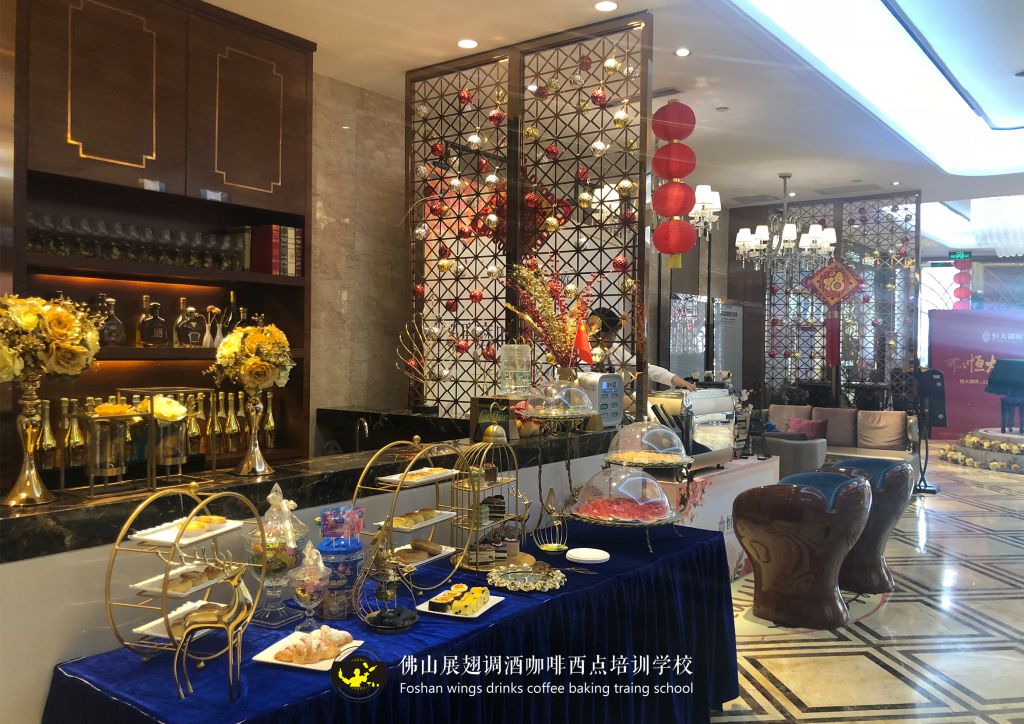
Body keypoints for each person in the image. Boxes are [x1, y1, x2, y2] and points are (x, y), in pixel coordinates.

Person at [587, 307, 697, 391]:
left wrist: (678, 380)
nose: (611, 339)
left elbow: (646, 368)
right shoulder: (581, 353)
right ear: (593, 332)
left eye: (614, 334)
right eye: (606, 335)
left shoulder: (616, 350)